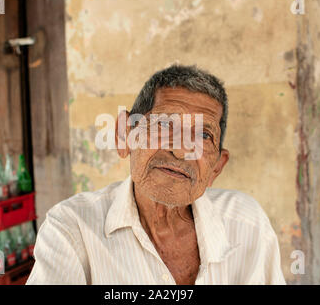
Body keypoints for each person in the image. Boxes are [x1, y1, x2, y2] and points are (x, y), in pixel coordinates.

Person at [26, 65, 286, 285]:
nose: (181, 149)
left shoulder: (248, 223)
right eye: (163, 124)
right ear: (125, 135)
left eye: (203, 135)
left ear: (216, 167)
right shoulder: (71, 230)